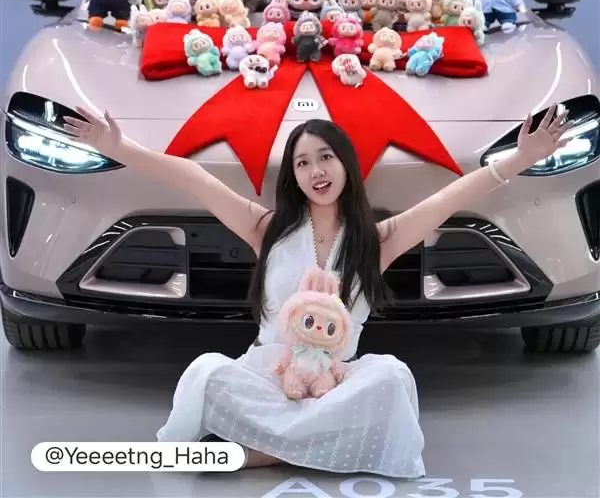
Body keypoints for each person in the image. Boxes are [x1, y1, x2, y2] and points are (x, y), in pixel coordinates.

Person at [64, 104, 573, 476]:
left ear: (346, 163)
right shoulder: (267, 229)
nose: (316, 171)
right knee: (208, 374)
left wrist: (518, 159)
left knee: (391, 379)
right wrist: (119, 148)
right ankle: (313, 445)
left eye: (325, 157)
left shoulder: (377, 240)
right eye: (303, 163)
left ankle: (264, 452)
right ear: (293, 175)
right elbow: (195, 179)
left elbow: (448, 200)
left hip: (335, 382)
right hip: (269, 376)